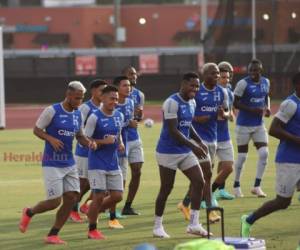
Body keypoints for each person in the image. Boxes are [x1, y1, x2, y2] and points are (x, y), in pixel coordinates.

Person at [19, 81, 96, 244]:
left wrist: (89, 142)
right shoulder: (52, 110)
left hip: (69, 162)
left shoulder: (78, 114)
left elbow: (80, 136)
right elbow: (37, 130)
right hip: (52, 162)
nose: (79, 102)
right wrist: (50, 138)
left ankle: (53, 234)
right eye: (76, 98)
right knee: (54, 202)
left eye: (81, 99)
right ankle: (29, 212)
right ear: (68, 95)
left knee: (72, 197)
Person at [241, 72, 300, 237]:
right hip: (289, 160)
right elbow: (274, 129)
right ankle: (248, 220)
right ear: (298, 85)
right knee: (282, 202)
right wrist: (297, 140)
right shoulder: (291, 104)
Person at [153, 72, 209, 238]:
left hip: (184, 151)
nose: (195, 89)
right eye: (192, 85)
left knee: (199, 182)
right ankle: (157, 227)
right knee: (166, 188)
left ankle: (194, 224)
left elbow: (188, 125)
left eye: (197, 86)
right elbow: (173, 130)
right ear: (183, 84)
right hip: (167, 152)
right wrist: (193, 146)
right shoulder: (171, 102)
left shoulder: (192, 101)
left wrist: (199, 141)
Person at [178, 63, 229, 223]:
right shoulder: (197, 93)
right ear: (204, 74)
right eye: (213, 73)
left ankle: (185, 204)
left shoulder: (222, 92)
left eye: (218, 74)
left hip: (213, 139)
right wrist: (209, 115)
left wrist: (224, 114)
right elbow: (191, 118)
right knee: (206, 176)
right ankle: (210, 210)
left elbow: (227, 112)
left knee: (201, 177)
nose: (217, 76)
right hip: (198, 140)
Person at [85, 85, 125, 240]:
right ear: (102, 98)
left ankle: (92, 211)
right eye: (111, 98)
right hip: (97, 162)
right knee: (99, 195)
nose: (114, 101)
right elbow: (85, 138)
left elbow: (118, 133)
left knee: (117, 196)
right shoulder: (94, 117)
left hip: (113, 162)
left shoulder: (119, 116)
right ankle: (92, 229)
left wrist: (120, 142)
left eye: (116, 98)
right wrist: (102, 141)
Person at [70, 79, 107, 222]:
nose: (103, 93)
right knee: (83, 183)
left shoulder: (105, 107)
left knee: (100, 183)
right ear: (93, 91)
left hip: (99, 151)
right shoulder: (85, 108)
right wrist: (89, 141)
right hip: (84, 152)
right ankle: (72, 210)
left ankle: (86, 206)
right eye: (100, 90)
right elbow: (77, 127)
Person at [233, 59, 271, 198]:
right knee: (242, 157)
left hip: (259, 125)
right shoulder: (243, 83)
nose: (253, 73)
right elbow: (235, 103)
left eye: (256, 70)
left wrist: (268, 108)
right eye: (251, 70)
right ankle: (236, 185)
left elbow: (266, 96)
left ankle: (257, 186)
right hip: (243, 125)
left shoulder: (266, 82)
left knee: (264, 154)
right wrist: (251, 109)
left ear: (261, 70)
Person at [106, 76, 135, 229]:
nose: (128, 88)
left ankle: (111, 212)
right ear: (117, 87)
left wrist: (132, 123)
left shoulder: (130, 102)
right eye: (125, 85)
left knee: (120, 182)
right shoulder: (111, 106)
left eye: (129, 85)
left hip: (123, 146)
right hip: (109, 149)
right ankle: (107, 212)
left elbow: (125, 125)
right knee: (111, 185)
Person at [121, 66, 145, 215]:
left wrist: (139, 116)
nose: (134, 77)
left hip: (134, 137)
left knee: (137, 172)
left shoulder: (140, 95)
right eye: (130, 74)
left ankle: (128, 206)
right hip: (120, 140)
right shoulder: (114, 95)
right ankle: (104, 205)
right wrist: (127, 121)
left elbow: (137, 119)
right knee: (117, 177)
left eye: (135, 74)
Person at [214, 62, 235, 200]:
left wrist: (227, 115)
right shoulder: (210, 92)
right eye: (223, 77)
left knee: (227, 165)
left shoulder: (229, 93)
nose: (226, 80)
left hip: (224, 135)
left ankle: (219, 190)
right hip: (210, 136)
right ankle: (199, 195)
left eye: (227, 77)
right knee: (205, 169)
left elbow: (231, 115)